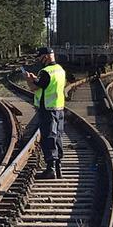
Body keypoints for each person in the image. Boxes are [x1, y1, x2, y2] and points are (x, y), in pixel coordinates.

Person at [24, 47, 66, 179]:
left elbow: (36, 87)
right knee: (57, 136)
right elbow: (47, 84)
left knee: (48, 137)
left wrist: (29, 79)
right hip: (59, 108)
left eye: (40, 57)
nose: (39, 60)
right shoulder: (59, 69)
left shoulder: (46, 72)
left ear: (46, 57)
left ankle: (50, 169)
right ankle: (58, 168)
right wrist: (37, 79)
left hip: (47, 109)